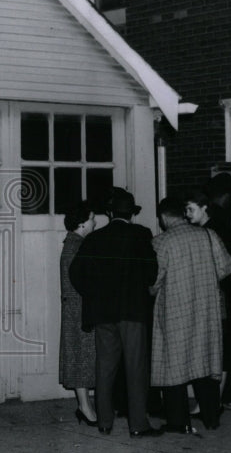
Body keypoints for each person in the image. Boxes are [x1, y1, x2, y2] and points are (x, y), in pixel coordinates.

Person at [69, 187, 162, 438]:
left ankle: (104, 421)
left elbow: (76, 273)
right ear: (131, 214)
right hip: (133, 312)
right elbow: (152, 273)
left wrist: (94, 295)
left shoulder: (95, 238)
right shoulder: (142, 235)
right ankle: (138, 425)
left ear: (110, 213)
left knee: (105, 366)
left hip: (103, 313)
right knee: (136, 367)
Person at [151, 197, 231, 434]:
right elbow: (226, 267)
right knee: (205, 362)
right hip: (206, 309)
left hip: (174, 310)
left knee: (173, 364)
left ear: (164, 217)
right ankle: (211, 417)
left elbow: (154, 281)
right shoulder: (208, 235)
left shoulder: (161, 242)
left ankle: (179, 422)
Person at [186, 185, 231, 407]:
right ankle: (229, 395)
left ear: (206, 208)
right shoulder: (218, 226)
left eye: (190, 209)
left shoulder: (214, 229)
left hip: (228, 297)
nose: (187, 215)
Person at [59, 201, 98, 426]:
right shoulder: (77, 246)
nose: (95, 222)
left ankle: (85, 405)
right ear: (83, 223)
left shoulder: (72, 244)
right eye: (92, 218)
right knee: (81, 358)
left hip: (75, 308)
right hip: (79, 309)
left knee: (80, 357)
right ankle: (85, 407)